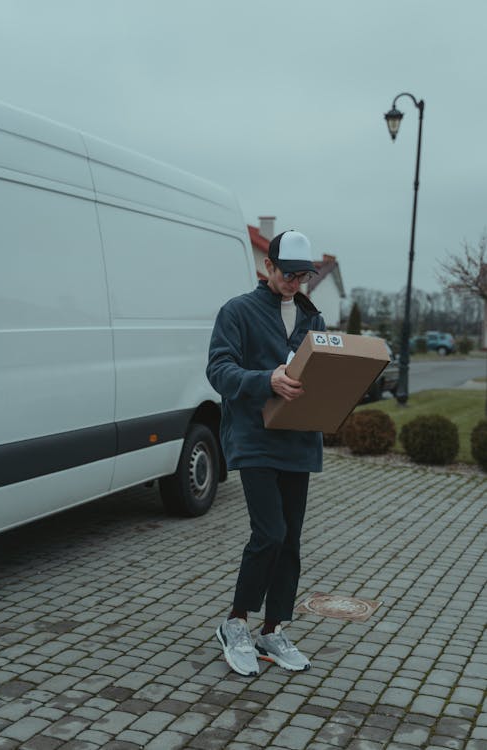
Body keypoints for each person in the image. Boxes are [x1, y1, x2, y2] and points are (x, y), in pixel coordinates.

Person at [206, 229, 326, 676]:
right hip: (254, 439)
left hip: (299, 441)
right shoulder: (237, 312)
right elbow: (219, 370)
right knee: (270, 532)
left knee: (290, 539)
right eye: (288, 274)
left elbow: (323, 373)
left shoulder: (313, 318)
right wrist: (267, 380)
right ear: (268, 268)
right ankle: (235, 623)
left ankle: (272, 631)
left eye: (303, 275)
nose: (295, 283)